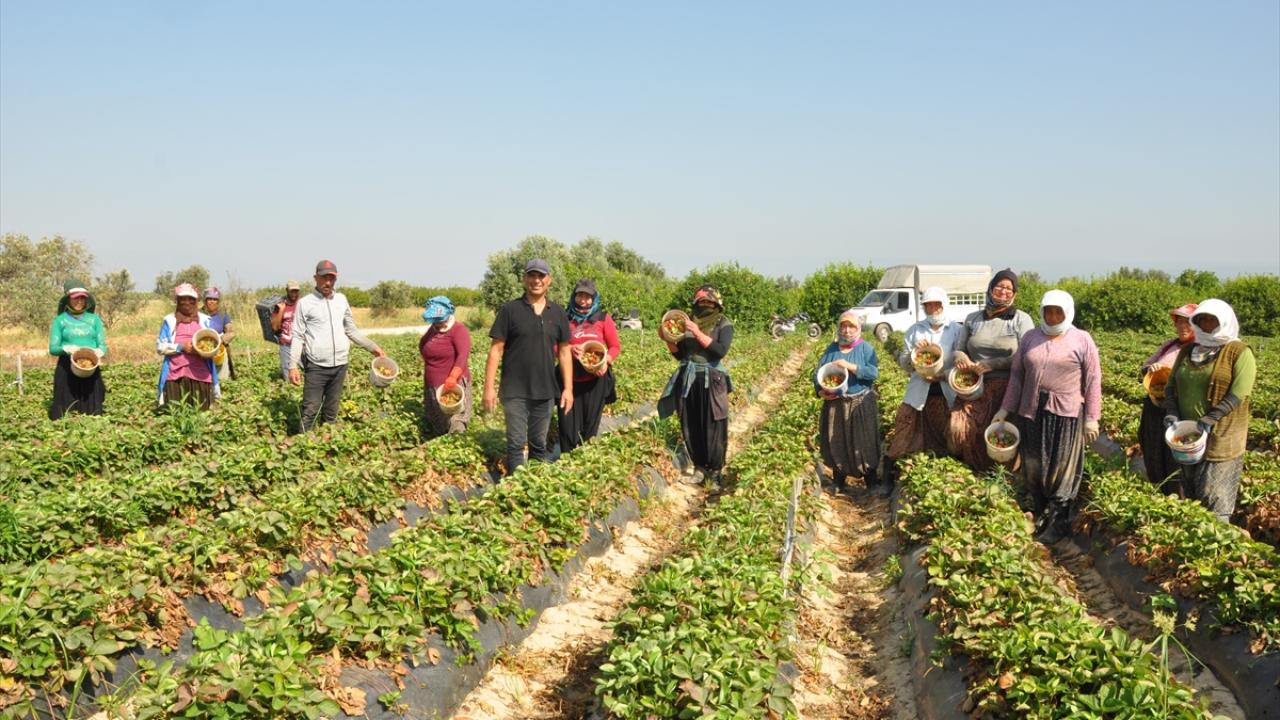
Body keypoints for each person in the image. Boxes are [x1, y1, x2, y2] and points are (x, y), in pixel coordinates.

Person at [996, 289, 1101, 544]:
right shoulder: (1031, 338)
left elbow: (1093, 379)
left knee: (1061, 467)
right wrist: (1004, 409)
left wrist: (1091, 417)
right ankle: (1041, 512)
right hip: (1032, 411)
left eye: (1058, 312)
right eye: (1048, 311)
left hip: (1065, 413)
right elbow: (1017, 377)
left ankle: (1059, 522)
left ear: (1068, 313)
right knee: (1034, 465)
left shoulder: (1082, 339)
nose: (1052, 317)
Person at [1162, 299, 1255, 522]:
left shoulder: (1239, 352)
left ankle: (1216, 537)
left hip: (1222, 437)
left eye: (1212, 320)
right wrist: (1172, 411)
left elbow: (1240, 392)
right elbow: (1170, 385)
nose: (1206, 325)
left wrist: (1211, 418)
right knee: (1191, 491)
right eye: (1202, 320)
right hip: (1187, 435)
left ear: (1225, 322)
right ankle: (1195, 534)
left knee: (1214, 495)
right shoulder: (1188, 351)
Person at [483, 258, 574, 473]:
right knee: (515, 445)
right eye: (532, 275)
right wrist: (489, 388)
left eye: (541, 276)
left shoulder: (558, 313)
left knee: (539, 444)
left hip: (545, 391)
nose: (536, 280)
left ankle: (534, 486)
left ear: (549, 280)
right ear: (524, 279)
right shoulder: (510, 310)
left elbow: (564, 352)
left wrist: (568, 389)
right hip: (514, 391)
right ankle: (516, 487)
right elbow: (496, 350)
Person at [948, 269, 1036, 471]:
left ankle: (1003, 474)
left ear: (1014, 294)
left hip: (1008, 386)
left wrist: (994, 364)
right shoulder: (973, 318)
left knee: (999, 433)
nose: (1003, 291)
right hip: (974, 384)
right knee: (958, 428)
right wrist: (961, 358)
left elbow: (1028, 356)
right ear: (990, 289)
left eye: (1009, 288)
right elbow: (958, 349)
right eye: (999, 286)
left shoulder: (1020, 319)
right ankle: (972, 471)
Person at [288, 260, 386, 431]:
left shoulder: (341, 300)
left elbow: (351, 330)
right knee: (310, 409)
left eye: (331, 278)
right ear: (315, 278)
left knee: (331, 411)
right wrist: (292, 365)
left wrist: (373, 347)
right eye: (324, 278)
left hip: (340, 365)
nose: (328, 282)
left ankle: (328, 440)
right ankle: (303, 442)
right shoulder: (305, 303)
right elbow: (297, 335)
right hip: (316, 366)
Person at [884, 287, 964, 490]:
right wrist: (914, 353)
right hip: (918, 391)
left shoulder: (956, 330)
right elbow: (904, 363)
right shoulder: (915, 330)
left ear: (944, 305)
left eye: (937, 305)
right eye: (929, 305)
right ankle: (888, 478)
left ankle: (945, 479)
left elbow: (961, 363)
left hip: (946, 392)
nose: (933, 309)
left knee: (946, 436)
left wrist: (943, 375)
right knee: (904, 428)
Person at [657, 285, 734, 488]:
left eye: (709, 302)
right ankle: (699, 468)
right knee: (690, 423)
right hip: (689, 378)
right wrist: (667, 339)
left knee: (713, 424)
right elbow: (680, 354)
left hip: (712, 379)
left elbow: (720, 351)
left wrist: (697, 332)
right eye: (701, 302)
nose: (705, 305)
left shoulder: (723, 324)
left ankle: (715, 472)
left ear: (717, 304)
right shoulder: (687, 321)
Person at [815, 311, 882, 493]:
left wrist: (850, 366)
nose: (847, 330)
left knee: (864, 441)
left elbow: (873, 373)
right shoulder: (832, 349)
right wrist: (821, 391)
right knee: (837, 439)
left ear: (858, 328)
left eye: (851, 326)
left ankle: (871, 481)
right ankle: (839, 480)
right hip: (836, 404)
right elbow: (818, 373)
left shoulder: (865, 348)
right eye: (843, 326)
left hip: (860, 403)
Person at [1138, 303, 1198, 493]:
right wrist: (1151, 369)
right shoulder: (1169, 345)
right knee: (1153, 450)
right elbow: (1144, 368)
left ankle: (1177, 497)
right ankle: (1158, 490)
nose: (1182, 326)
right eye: (1179, 322)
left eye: (1188, 322)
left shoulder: (1199, 349)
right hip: (1154, 407)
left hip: (1177, 410)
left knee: (1174, 456)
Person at [559, 279, 621, 453]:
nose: (583, 300)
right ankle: (567, 459)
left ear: (594, 299)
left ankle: (586, 459)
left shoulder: (603, 318)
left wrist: (606, 361)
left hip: (596, 379)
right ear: (574, 296)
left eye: (587, 297)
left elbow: (615, 347)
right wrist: (570, 349)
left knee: (590, 426)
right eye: (580, 295)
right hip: (570, 378)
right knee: (568, 426)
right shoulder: (565, 318)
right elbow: (555, 347)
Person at [47, 279, 107, 419]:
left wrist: (99, 351)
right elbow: (53, 348)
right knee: (65, 410)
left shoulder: (94, 320)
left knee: (92, 410)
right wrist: (66, 349)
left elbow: (103, 345)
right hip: (67, 368)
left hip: (90, 367)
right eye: (75, 298)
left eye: (82, 298)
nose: (79, 301)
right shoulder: (60, 320)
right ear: (68, 299)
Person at [156, 283, 220, 409]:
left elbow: (214, 343)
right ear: (178, 301)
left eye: (191, 299)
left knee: (201, 410)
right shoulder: (170, 320)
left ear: (195, 301)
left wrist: (203, 350)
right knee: (175, 410)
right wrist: (181, 347)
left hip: (200, 373)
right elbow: (160, 346)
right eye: (183, 299)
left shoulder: (205, 320)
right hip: (175, 374)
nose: (187, 302)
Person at [419, 295, 472, 435]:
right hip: (433, 384)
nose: (436, 323)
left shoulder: (459, 330)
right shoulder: (434, 328)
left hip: (452, 385)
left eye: (439, 320)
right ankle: (440, 440)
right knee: (438, 419)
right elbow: (425, 344)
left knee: (455, 419)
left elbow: (463, 356)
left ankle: (456, 442)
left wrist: (453, 376)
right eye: (434, 320)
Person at [201, 287, 236, 380]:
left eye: (215, 299)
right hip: (202, 351)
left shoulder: (223, 315)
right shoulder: (198, 314)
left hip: (218, 352)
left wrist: (222, 339)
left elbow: (231, 332)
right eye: (209, 299)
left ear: (218, 301)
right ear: (205, 301)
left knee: (221, 379)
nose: (212, 301)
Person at [270, 280, 302, 380]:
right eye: (292, 291)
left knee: (307, 372)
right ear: (287, 290)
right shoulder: (279, 306)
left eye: (296, 291)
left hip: (301, 344)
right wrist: (281, 310)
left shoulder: (302, 304)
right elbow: (275, 327)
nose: (294, 294)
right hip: (286, 344)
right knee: (289, 377)